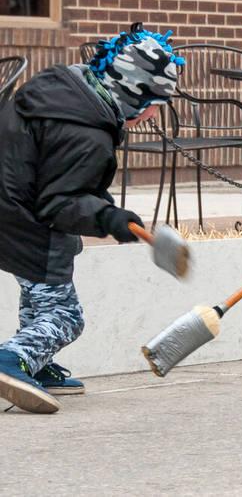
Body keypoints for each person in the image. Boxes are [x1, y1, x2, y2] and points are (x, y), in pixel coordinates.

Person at [0, 24, 183, 413]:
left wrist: (100, 207)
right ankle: (11, 359)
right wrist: (110, 218)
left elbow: (57, 176)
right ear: (132, 92)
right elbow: (59, 204)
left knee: (40, 297)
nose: (151, 116)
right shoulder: (89, 136)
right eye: (153, 104)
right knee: (65, 315)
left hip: (10, 206)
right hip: (25, 221)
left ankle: (37, 361)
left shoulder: (65, 91)